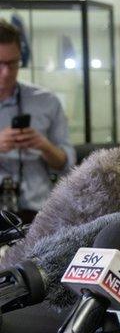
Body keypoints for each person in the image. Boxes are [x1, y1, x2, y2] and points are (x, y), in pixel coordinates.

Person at [0, 19, 74, 222]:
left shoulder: (46, 101)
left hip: (38, 212)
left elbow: (67, 165)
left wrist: (45, 147)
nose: (6, 73)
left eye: (13, 63)